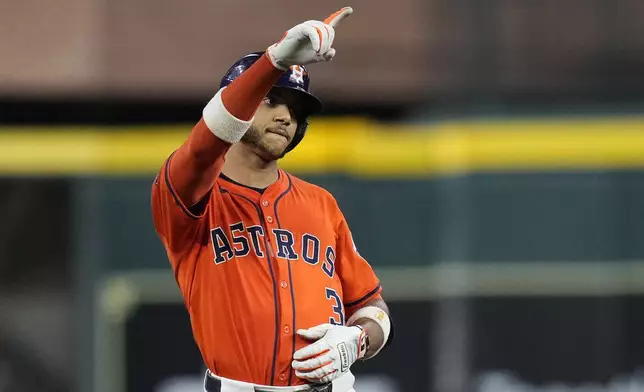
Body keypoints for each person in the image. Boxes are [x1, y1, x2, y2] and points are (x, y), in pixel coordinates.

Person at [151, 7, 393, 392]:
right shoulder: (188, 196)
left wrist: (358, 340)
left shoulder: (320, 203)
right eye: (272, 100)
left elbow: (373, 309)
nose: (285, 116)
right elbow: (203, 147)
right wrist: (273, 61)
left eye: (296, 110)